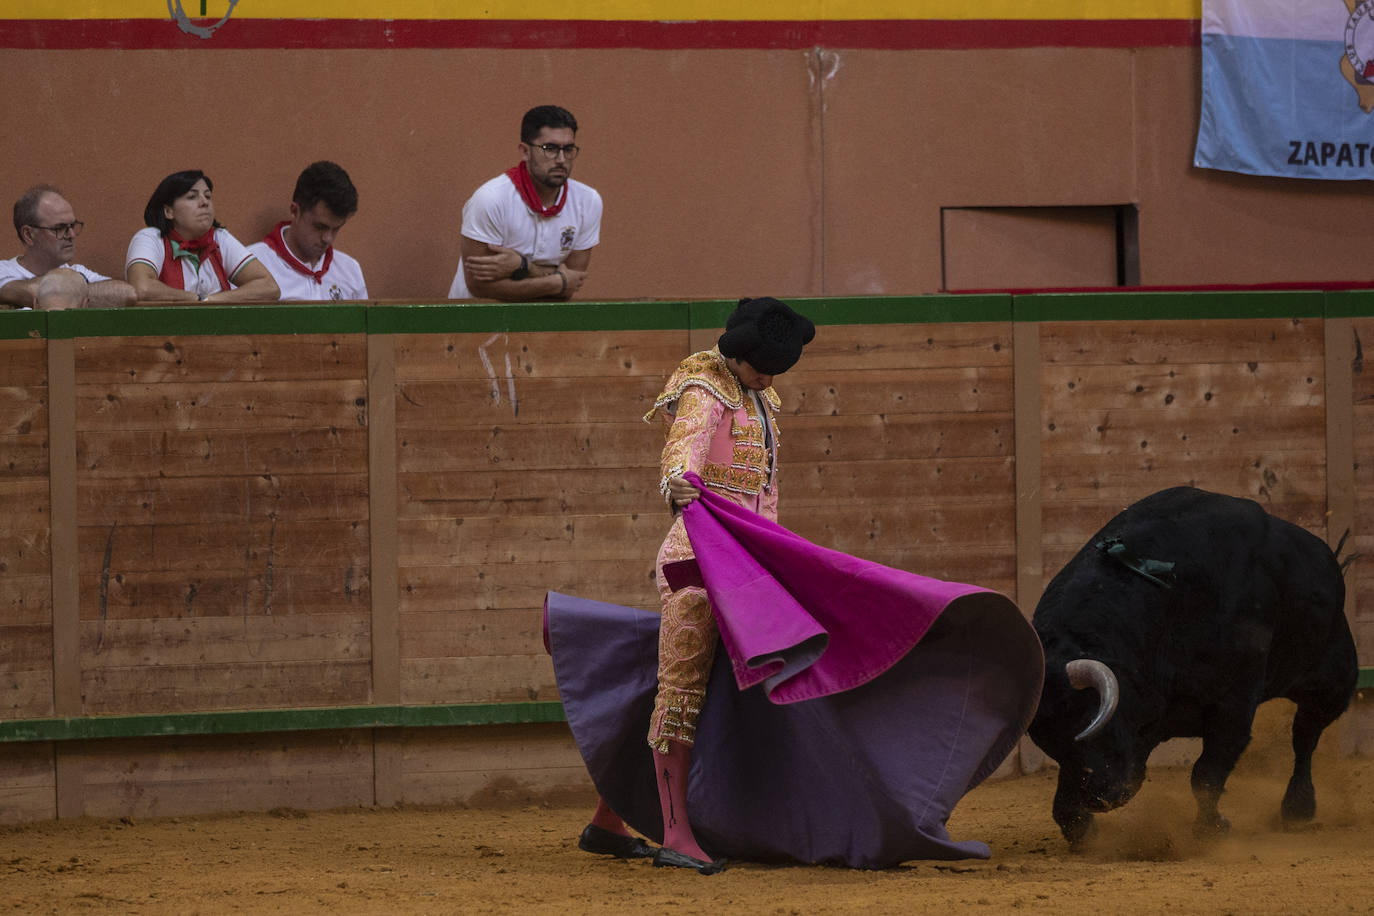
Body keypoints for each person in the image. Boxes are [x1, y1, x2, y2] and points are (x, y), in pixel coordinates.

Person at [573, 297, 816, 875]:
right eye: (764, 366)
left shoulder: (758, 396)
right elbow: (684, 448)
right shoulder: (705, 389)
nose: (771, 376)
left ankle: (608, 820)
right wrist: (678, 483)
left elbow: (767, 495)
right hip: (700, 565)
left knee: (689, 691)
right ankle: (677, 837)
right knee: (682, 694)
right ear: (737, 355)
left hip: (748, 563)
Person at [446, 105, 601, 301]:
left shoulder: (588, 201)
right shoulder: (491, 199)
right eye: (550, 149)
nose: (561, 159)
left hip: (540, 322)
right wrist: (555, 282)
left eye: (568, 149)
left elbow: (571, 283)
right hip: (474, 322)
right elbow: (480, 287)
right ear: (525, 151)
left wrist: (522, 266)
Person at [125, 170, 279, 303]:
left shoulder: (219, 237)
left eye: (208, 196)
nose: (204, 202)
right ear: (168, 211)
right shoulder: (150, 238)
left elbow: (269, 287)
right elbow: (142, 288)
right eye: (192, 197)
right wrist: (195, 299)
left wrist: (211, 300)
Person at [0, 185, 136, 309]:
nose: (71, 234)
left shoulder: (77, 271)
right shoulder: (4, 271)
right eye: (59, 228)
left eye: (72, 226)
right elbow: (30, 291)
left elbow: (127, 294)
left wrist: (64, 287)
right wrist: (76, 288)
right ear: (29, 234)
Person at [248, 161, 368, 302]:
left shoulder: (350, 270)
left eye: (336, 228)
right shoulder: (251, 266)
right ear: (295, 211)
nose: (328, 238)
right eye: (320, 226)